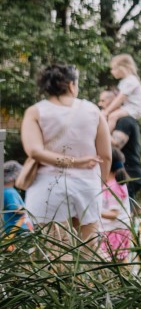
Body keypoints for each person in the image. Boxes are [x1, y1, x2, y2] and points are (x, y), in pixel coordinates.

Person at [19, 64, 111, 242]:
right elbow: (106, 156)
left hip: (48, 187)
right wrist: (99, 184)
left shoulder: (36, 111)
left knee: (56, 253)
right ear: (71, 85)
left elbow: (34, 151)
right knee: (88, 251)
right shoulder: (93, 110)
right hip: (87, 185)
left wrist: (74, 162)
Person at [98, 87, 141, 199]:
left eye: (103, 101)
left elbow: (115, 144)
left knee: (124, 215)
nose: (100, 104)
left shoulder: (125, 121)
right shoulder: (113, 121)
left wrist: (102, 126)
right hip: (118, 175)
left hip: (128, 174)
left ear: (115, 101)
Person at [99, 54, 141, 125]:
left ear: (122, 68)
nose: (111, 72)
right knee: (106, 114)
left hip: (134, 108)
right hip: (127, 107)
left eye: (114, 68)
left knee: (113, 116)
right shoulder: (124, 81)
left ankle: (106, 135)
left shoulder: (130, 81)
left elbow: (119, 99)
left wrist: (107, 112)